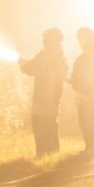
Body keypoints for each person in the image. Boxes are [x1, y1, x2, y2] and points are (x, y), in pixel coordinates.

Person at [18, 28, 68, 157]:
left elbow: (30, 69)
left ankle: (42, 155)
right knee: (51, 124)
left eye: (45, 39)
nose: (44, 42)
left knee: (40, 125)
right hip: (54, 100)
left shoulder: (44, 56)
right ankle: (53, 154)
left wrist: (22, 64)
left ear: (49, 41)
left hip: (41, 99)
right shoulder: (61, 57)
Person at [69, 27, 94, 158]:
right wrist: (78, 90)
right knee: (84, 123)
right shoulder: (79, 59)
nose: (81, 41)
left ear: (91, 39)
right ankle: (90, 147)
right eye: (79, 38)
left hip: (93, 98)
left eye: (83, 38)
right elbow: (74, 78)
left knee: (91, 122)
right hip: (82, 98)